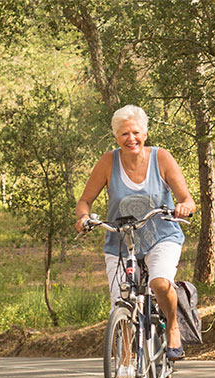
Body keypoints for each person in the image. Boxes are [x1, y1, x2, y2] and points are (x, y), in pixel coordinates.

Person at [75, 104, 196, 362]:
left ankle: (173, 327)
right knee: (121, 307)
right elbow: (84, 201)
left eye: (136, 132)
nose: (131, 139)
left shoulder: (161, 158)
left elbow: (186, 198)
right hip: (120, 242)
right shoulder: (108, 162)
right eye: (124, 134)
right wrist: (84, 218)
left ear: (146, 133)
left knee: (159, 283)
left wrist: (184, 206)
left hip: (161, 236)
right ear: (116, 137)